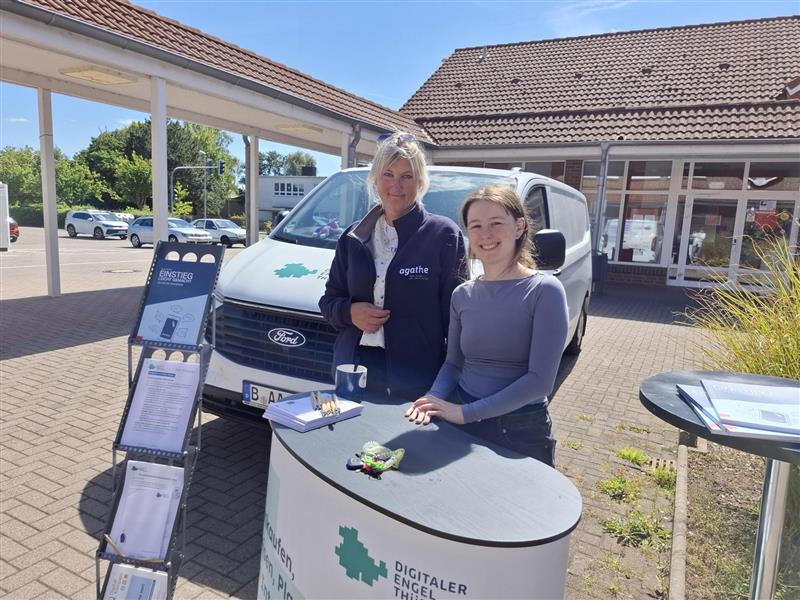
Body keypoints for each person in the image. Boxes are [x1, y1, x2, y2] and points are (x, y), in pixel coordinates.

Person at [404, 185, 569, 467]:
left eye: (496, 224)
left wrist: (465, 413)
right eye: (476, 226)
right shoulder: (462, 295)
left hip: (519, 431)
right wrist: (432, 398)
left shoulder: (545, 290)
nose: (486, 234)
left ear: (519, 227)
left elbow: (540, 381)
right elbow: (454, 364)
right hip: (462, 424)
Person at [319, 132, 466, 401]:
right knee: (348, 442)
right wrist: (349, 312)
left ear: (420, 181)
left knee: (404, 445)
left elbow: (457, 319)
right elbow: (328, 302)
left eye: (407, 176)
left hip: (416, 379)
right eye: (388, 174)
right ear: (375, 178)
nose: (396, 185)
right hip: (353, 369)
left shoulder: (443, 235)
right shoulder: (353, 237)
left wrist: (446, 384)